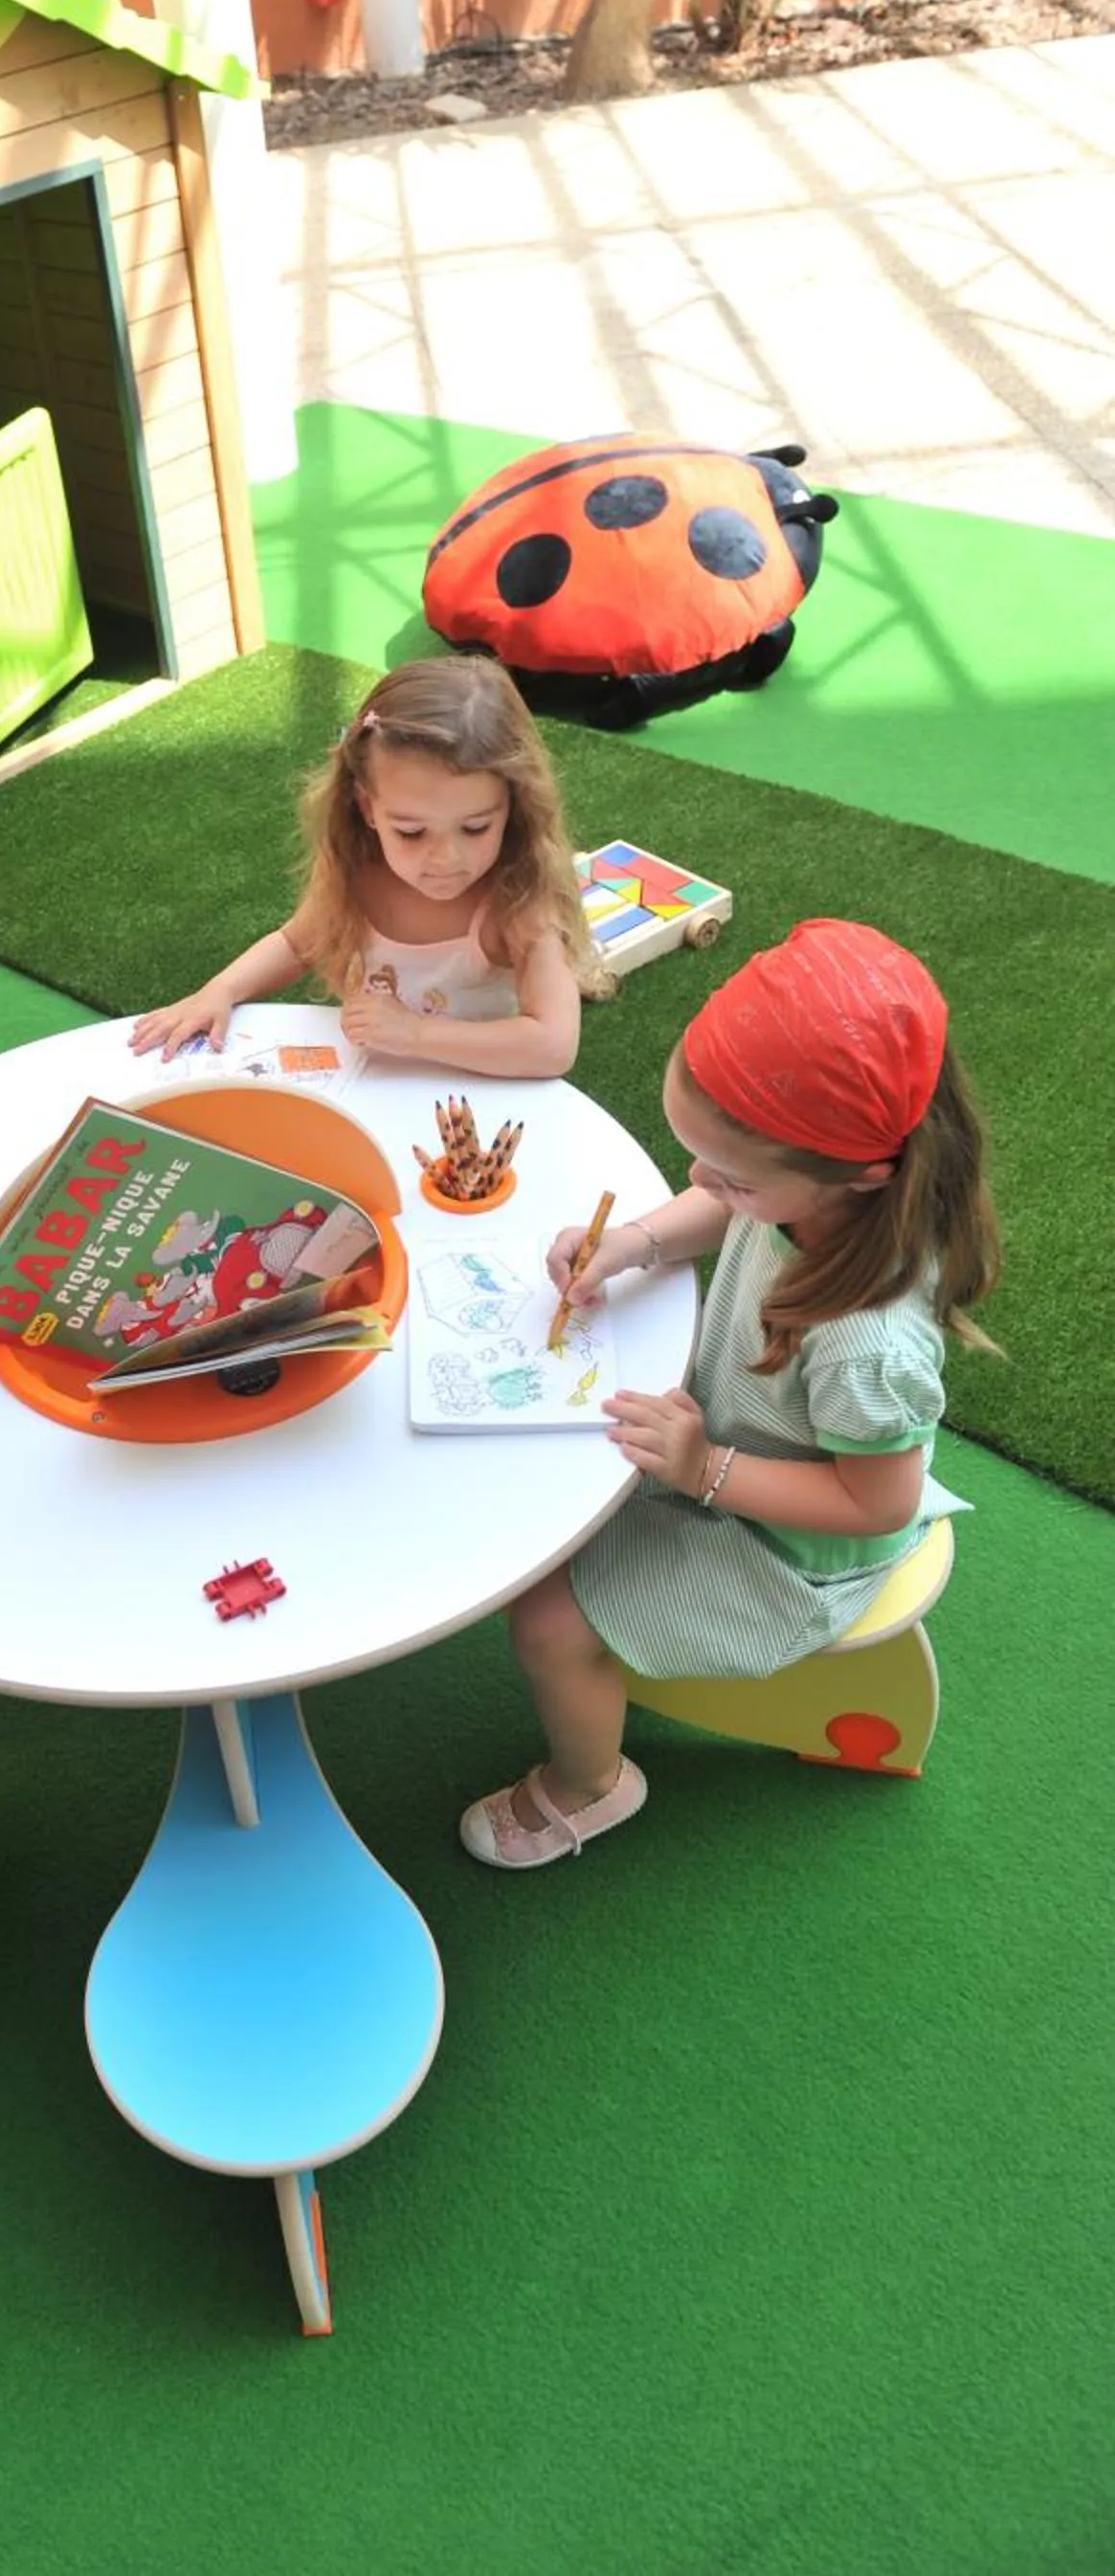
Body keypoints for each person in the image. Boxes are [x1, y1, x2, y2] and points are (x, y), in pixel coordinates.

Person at [460, 919, 999, 1870]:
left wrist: (705, 1467)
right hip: (728, 1450)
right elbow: (718, 1202)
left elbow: (878, 1501)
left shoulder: (864, 1343)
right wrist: (637, 1241)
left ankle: (590, 1785)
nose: (704, 1185)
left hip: (795, 1549)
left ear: (852, 1178)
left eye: (730, 1179)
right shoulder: (817, 1190)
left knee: (545, 1620)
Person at [129, 656, 601, 1076]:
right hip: (373, 1082)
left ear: (513, 808)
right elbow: (297, 944)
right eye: (412, 832)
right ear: (367, 807)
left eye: (475, 827)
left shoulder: (519, 900)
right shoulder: (357, 870)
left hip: (478, 1095)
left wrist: (414, 1033)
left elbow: (553, 1046)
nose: (445, 859)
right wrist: (222, 989)